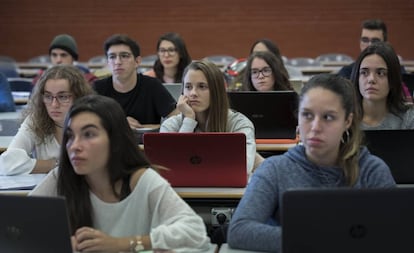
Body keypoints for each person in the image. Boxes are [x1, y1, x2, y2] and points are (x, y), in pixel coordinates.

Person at [227, 74, 396, 252]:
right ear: (297, 119)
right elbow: (239, 230)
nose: (315, 126)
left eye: (328, 117)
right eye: (307, 115)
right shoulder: (275, 170)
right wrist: (317, 239)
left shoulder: (372, 170)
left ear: (347, 121)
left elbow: (398, 231)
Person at [29, 94, 211, 252]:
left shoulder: (141, 180)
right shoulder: (61, 177)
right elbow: (20, 222)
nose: (75, 146)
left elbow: (195, 232)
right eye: (70, 136)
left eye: (89, 134)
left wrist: (121, 244)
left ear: (115, 140)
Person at [160, 60, 257, 175]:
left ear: (217, 91)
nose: (193, 93)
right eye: (188, 87)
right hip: (184, 191)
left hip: (227, 191)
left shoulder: (239, 124)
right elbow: (169, 168)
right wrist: (189, 121)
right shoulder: (170, 125)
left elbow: (243, 168)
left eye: (202, 86)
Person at [0, 65, 94, 175]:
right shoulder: (36, 120)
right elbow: (7, 163)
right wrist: (58, 164)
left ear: (79, 97)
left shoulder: (93, 122)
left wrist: (39, 165)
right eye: (48, 96)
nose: (54, 104)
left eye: (63, 97)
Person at [93, 34, 178, 129]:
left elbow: (177, 120)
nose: (117, 62)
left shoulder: (152, 86)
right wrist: (120, 124)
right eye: (112, 57)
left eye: (124, 56)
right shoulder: (97, 89)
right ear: (108, 63)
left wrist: (141, 127)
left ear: (137, 61)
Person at [350, 42, 414, 129]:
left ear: (393, 79)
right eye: (364, 73)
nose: (371, 79)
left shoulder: (408, 119)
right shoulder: (345, 118)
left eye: (380, 73)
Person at [338, 19, 406, 79]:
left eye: (375, 41)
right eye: (365, 40)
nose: (369, 45)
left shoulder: (397, 70)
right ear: (359, 42)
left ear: (385, 44)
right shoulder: (346, 72)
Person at [32, 34, 97, 85]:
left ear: (73, 58)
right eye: (54, 55)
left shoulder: (87, 79)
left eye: (63, 55)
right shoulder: (41, 79)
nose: (58, 60)